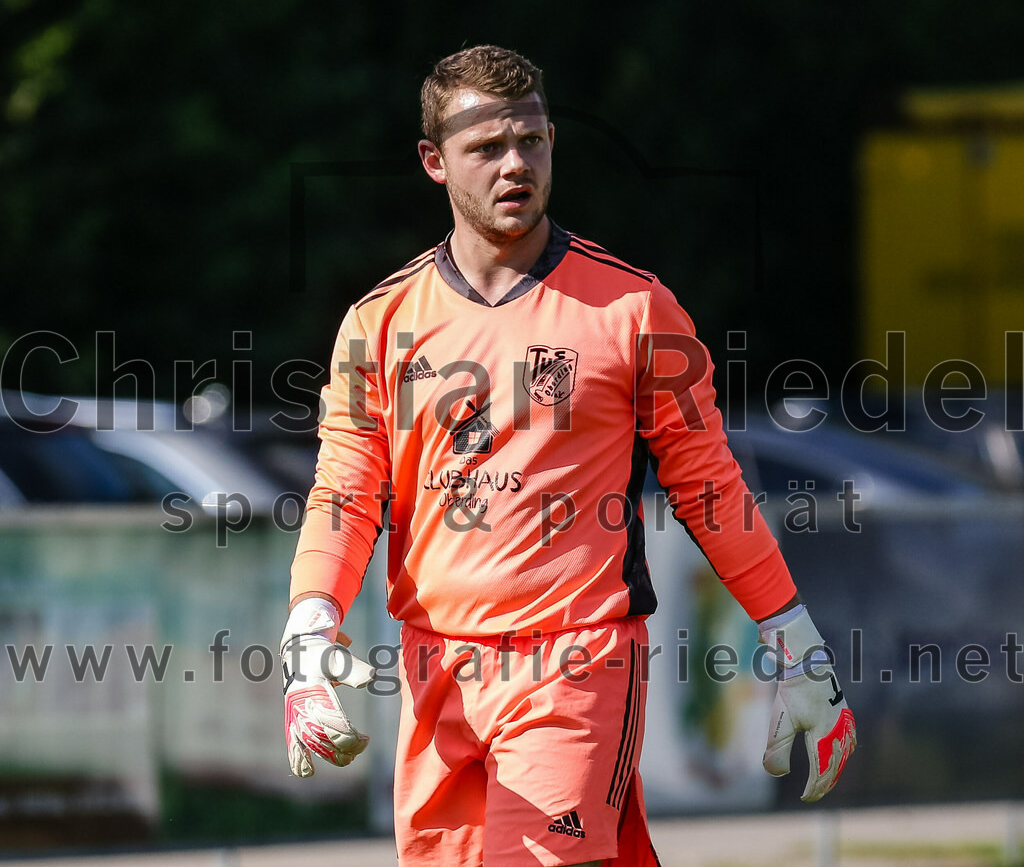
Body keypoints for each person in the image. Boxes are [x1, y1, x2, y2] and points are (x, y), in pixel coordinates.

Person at [279, 45, 856, 867]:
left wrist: (797, 639)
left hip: (577, 661)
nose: (516, 164)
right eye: (487, 147)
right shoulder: (379, 322)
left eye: (534, 141)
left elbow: (709, 487)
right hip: (434, 663)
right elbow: (344, 488)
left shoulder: (634, 308)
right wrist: (309, 628)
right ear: (434, 162)